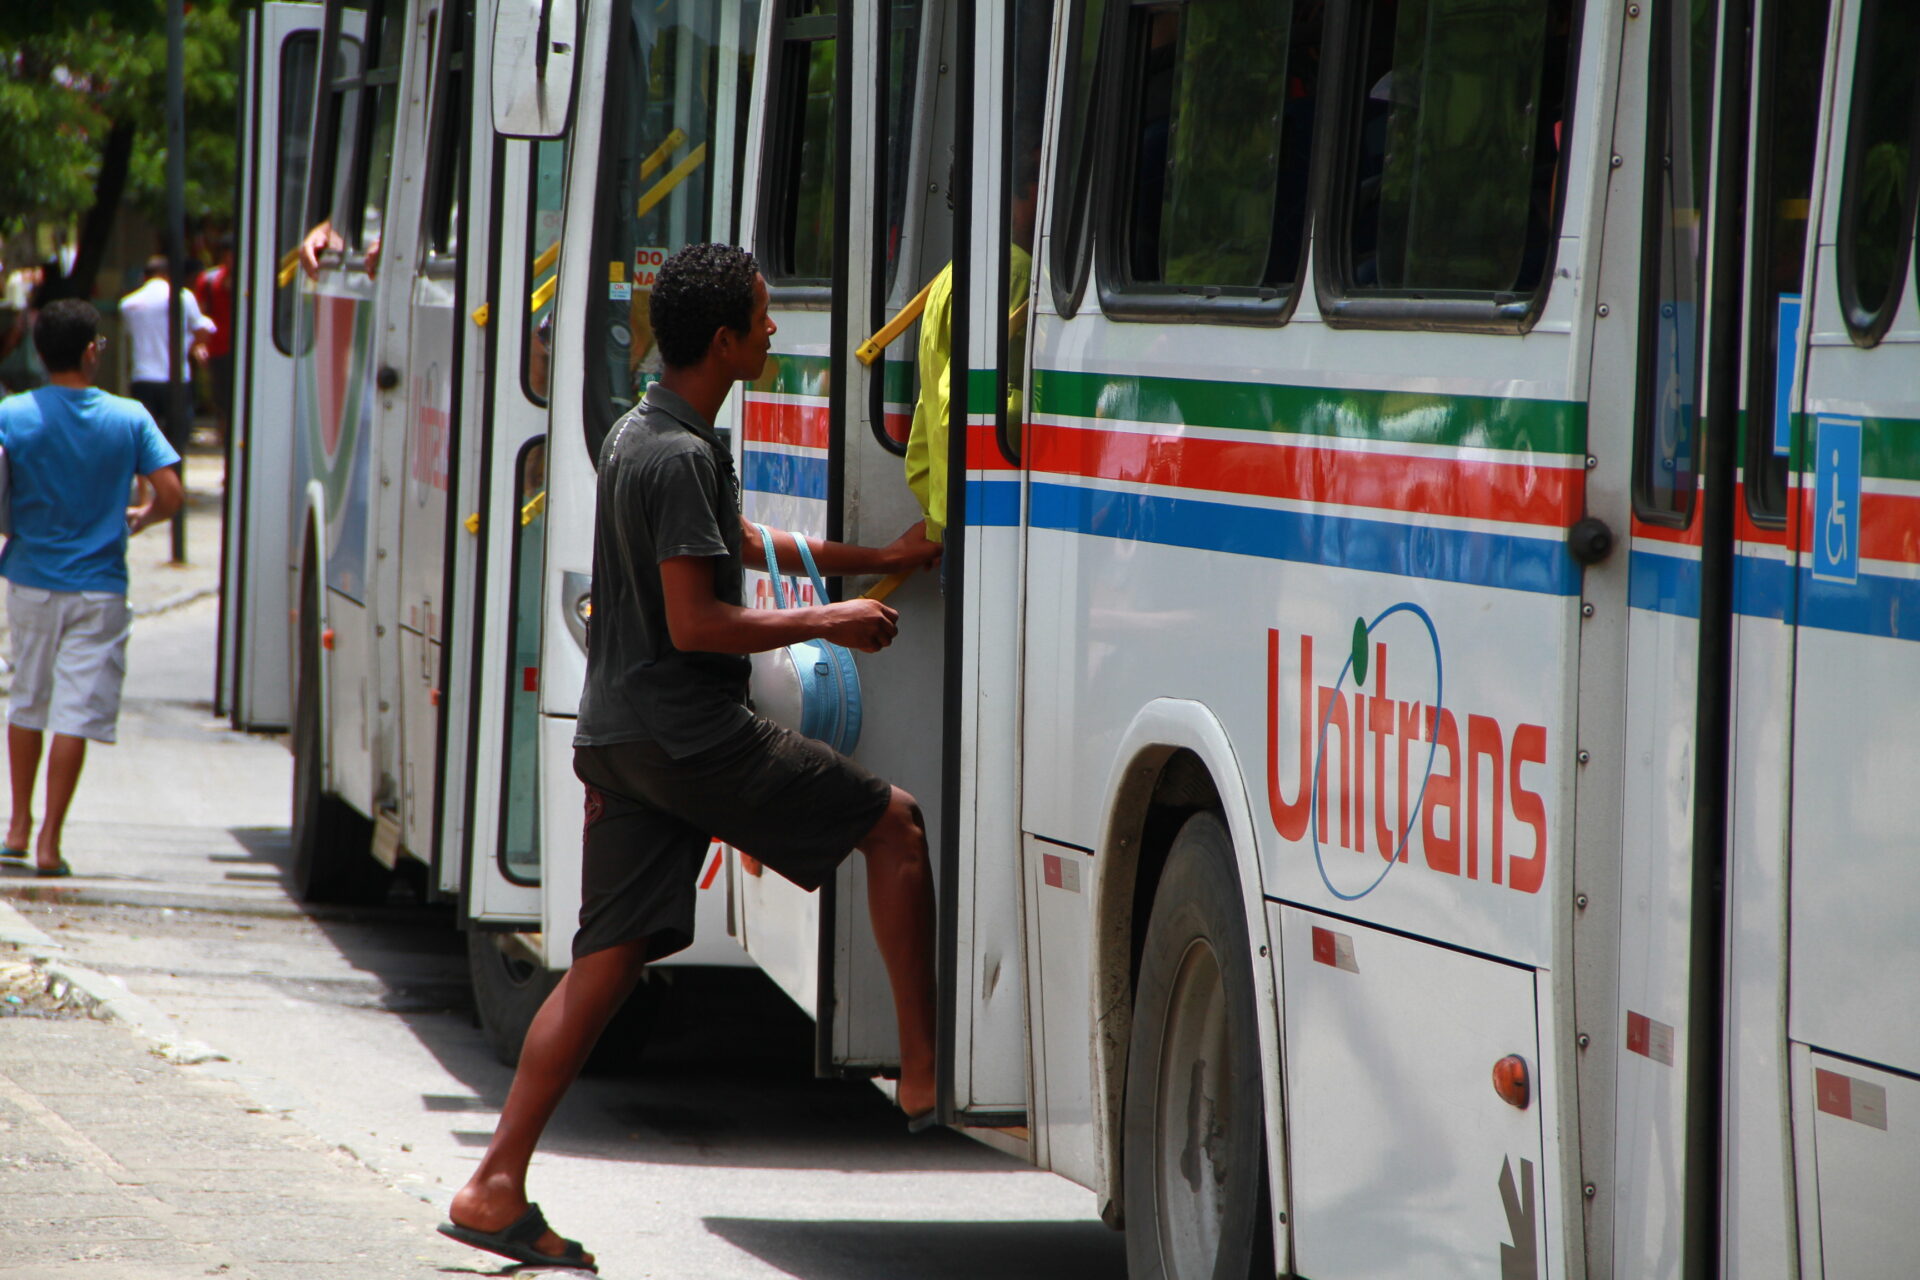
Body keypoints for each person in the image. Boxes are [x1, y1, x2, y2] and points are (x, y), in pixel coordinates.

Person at [438, 244, 941, 1273]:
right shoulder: (675, 454)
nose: (773, 328)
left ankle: (493, 1185)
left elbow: (736, 542)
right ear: (722, 340)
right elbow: (698, 622)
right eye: (762, 315)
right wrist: (832, 619)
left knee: (603, 966)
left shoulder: (649, 433)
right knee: (895, 826)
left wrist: (876, 561)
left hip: (620, 738)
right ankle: (928, 1072)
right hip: (686, 734)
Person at [0, 300, 184, 877]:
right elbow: (171, 494)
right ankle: (50, 842)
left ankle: (17, 826)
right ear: (89, 352)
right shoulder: (129, 417)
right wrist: (142, 518)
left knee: (27, 699)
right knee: (75, 715)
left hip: (30, 579)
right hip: (100, 588)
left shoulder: (13, 413)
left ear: (40, 352)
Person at [904, 150, 1040, 547]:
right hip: (993, 523)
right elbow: (976, 409)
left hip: (953, 520)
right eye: (1039, 187)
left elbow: (926, 426)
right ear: (1009, 199)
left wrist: (937, 519)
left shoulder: (948, 278)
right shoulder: (1015, 272)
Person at [120, 256, 215, 464]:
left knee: (143, 439)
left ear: (144, 277)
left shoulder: (128, 304)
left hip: (143, 377)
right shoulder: (183, 297)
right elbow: (202, 329)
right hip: (176, 377)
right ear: (168, 276)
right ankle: (173, 476)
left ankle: (144, 484)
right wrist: (190, 345)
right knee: (176, 439)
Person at [192, 233, 237, 444]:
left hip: (245, 349)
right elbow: (199, 315)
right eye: (228, 255)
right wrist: (199, 344)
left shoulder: (252, 278)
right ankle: (226, 444)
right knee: (222, 401)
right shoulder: (209, 281)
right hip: (218, 349)